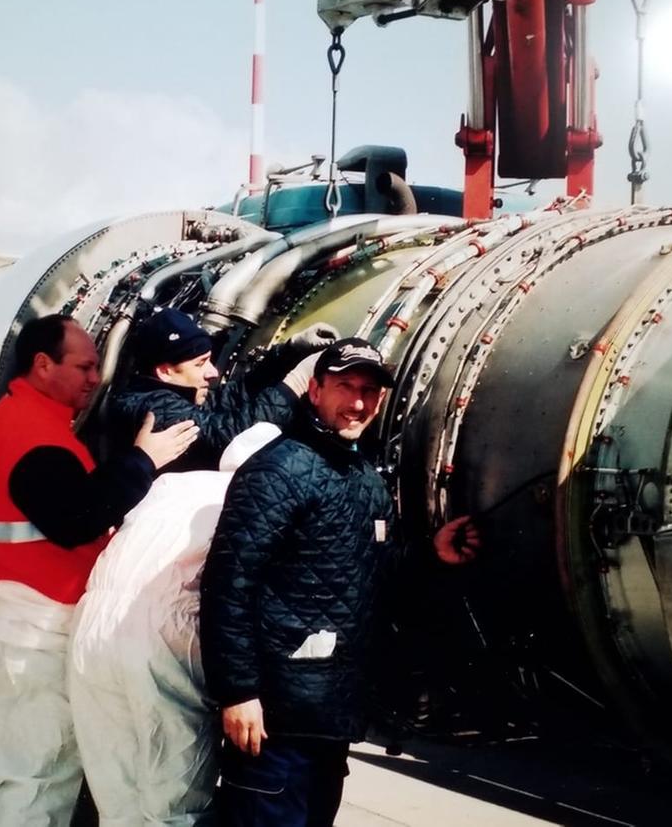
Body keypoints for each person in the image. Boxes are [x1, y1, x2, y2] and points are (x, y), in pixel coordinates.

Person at [199, 338, 479, 827]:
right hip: (276, 721)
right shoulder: (277, 471)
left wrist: (432, 554)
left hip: (332, 715)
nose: (357, 402)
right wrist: (238, 693)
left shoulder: (364, 478)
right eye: (344, 386)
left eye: (369, 391)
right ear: (314, 390)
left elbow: (377, 571)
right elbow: (227, 587)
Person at [0, 314, 198, 826]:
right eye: (83, 366)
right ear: (42, 364)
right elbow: (76, 519)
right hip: (30, 639)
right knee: (35, 785)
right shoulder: (37, 440)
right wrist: (142, 461)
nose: (94, 378)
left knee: (9, 779)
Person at [68, 421, 281, 827]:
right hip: (161, 637)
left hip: (92, 627)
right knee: (175, 798)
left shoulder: (173, 486)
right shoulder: (248, 499)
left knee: (117, 795)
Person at [104, 308, 336, 473]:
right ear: (165, 372)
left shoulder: (172, 395)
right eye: (200, 363)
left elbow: (232, 397)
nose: (213, 372)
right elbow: (227, 436)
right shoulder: (153, 411)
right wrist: (294, 384)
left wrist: (289, 352)